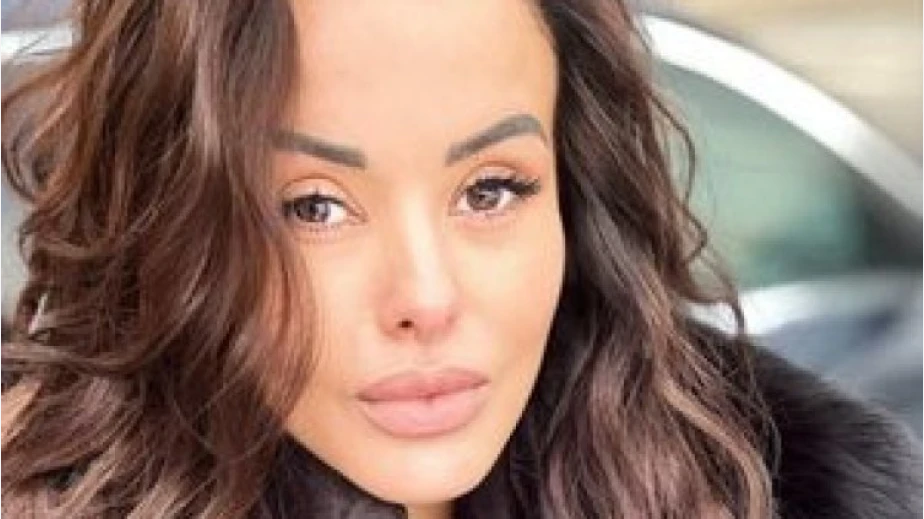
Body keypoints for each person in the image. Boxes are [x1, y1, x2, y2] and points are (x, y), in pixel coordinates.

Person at [1, 1, 920, 517]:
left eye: (490, 190)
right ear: (172, 230)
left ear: (573, 199)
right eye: (313, 206)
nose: (426, 297)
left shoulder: (778, 491)